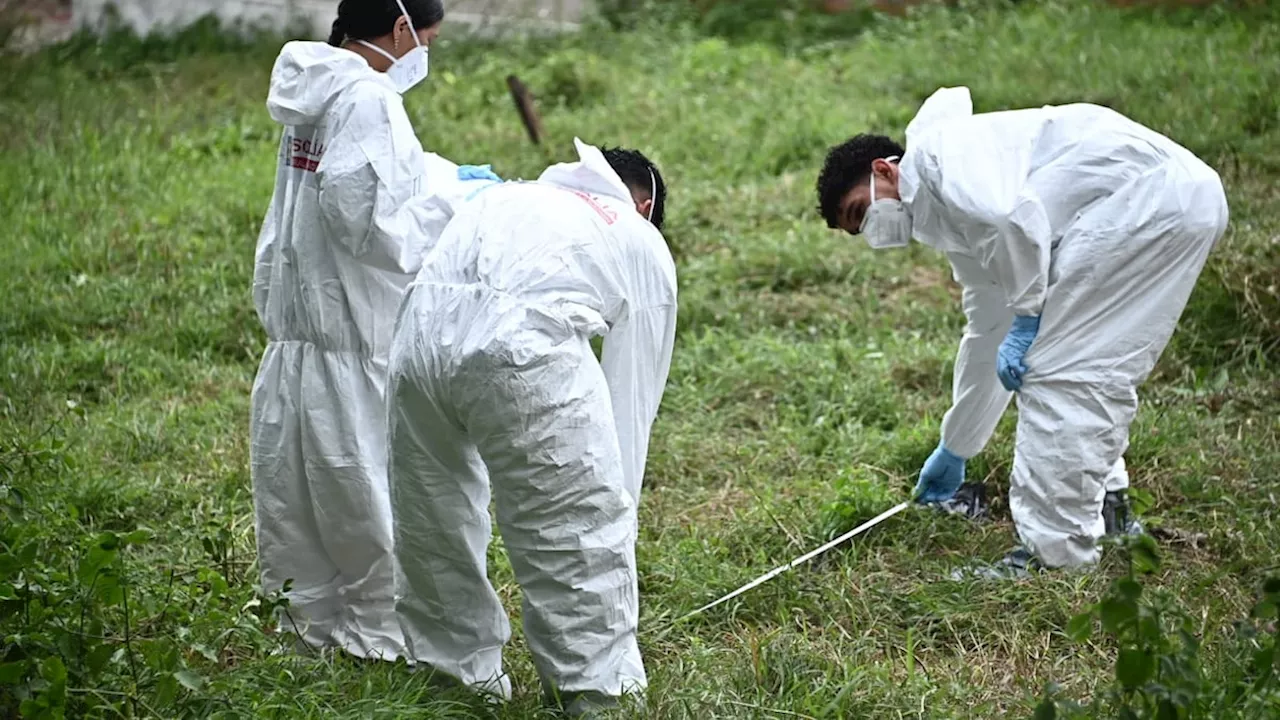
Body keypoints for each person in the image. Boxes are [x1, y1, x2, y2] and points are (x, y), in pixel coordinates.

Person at [814, 86, 1228, 573]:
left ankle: (1054, 556)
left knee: (1061, 372)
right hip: (1173, 201)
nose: (870, 230)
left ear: (884, 170)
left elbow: (1009, 219)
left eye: (861, 211)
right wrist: (956, 445)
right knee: (1093, 367)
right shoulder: (951, 217)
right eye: (857, 230)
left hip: (1145, 204)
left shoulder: (946, 158)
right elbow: (989, 328)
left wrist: (1030, 312)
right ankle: (1108, 509)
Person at [386, 138, 677, 716]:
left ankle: (454, 680)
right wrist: (617, 505)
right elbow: (631, 397)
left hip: (415, 340)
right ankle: (597, 695)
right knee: (571, 527)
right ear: (645, 206)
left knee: (431, 518)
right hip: (520, 351)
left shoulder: (509, 196)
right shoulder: (639, 236)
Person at [250, 0, 499, 660]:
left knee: (297, 504)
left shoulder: (319, 87)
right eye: (429, 40)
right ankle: (377, 643)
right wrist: (456, 202)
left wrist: (436, 177)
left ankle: (308, 639)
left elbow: (357, 184)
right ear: (400, 30)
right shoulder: (366, 96)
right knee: (364, 498)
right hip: (351, 333)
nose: (426, 54)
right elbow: (370, 224)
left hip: (301, 330)